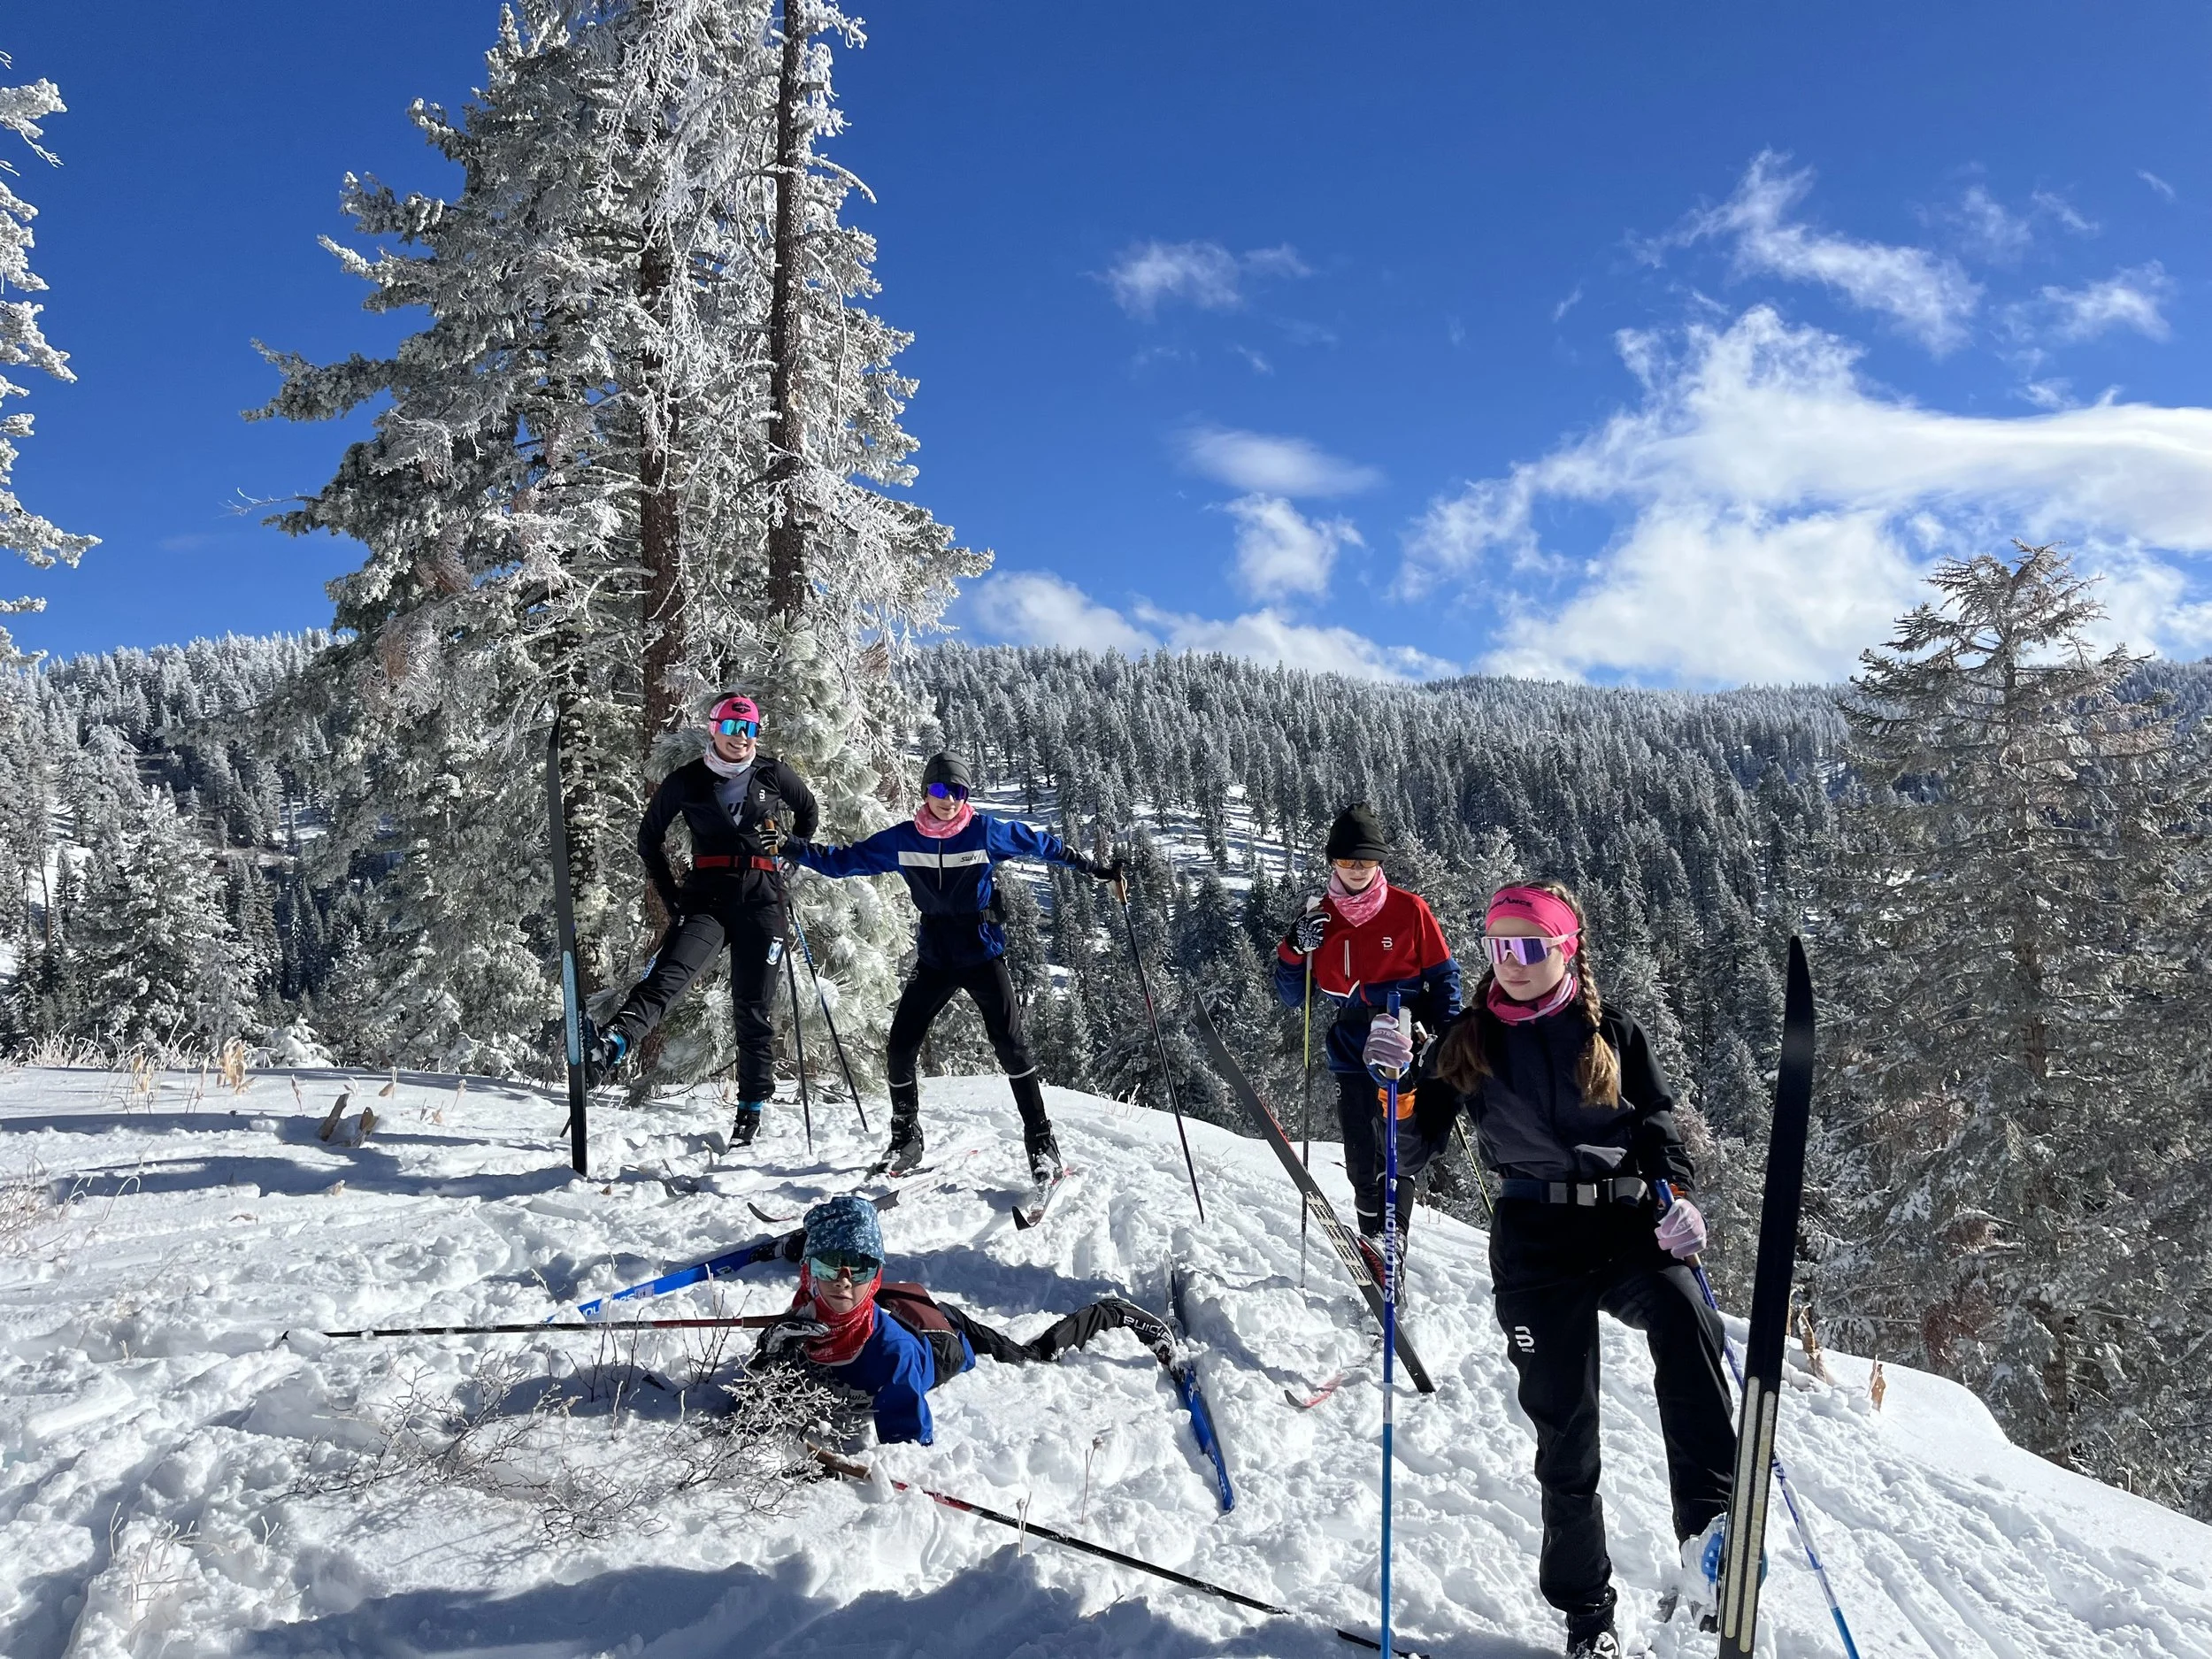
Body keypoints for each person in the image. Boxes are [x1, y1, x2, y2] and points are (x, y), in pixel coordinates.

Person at [1408, 879, 1735, 1659]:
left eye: (1530, 946)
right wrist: (1395, 1087)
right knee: (1567, 1431)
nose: (1511, 961)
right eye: (1498, 945)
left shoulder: (1612, 1032)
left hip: (1622, 1223)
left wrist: (1678, 1195)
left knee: (1687, 1317)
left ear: (1567, 949)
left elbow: (1656, 1126)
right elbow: (1410, 1147)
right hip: (1535, 1242)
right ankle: (1588, 1612)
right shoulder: (1467, 1040)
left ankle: (1710, 1536)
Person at [782, 751, 1121, 1182]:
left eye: (958, 790)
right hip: (936, 959)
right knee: (901, 1045)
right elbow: (842, 861)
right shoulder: (904, 839)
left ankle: (1042, 1145)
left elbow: (1041, 844)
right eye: (940, 789)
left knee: (1011, 1046)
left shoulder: (984, 832)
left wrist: (1094, 868)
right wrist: (789, 846)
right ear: (926, 792)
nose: (948, 799)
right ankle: (906, 1139)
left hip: (981, 955)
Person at [751, 1194, 1175, 1445]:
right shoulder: (804, 1313)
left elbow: (905, 1451)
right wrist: (767, 1359)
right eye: (828, 1264)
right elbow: (756, 1399)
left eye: (860, 1267)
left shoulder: (893, 1359)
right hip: (897, 1304)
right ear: (808, 1271)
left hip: (940, 1338)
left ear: (876, 1274)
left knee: (1033, 1355)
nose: (843, 1280)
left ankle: (1113, 1312)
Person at [584, 694, 817, 1147]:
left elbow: (808, 811)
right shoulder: (687, 779)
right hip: (707, 898)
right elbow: (648, 839)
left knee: (753, 1006)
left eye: (749, 729)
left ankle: (750, 1110)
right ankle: (610, 1046)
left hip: (764, 900)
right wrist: (671, 897)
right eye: (731, 727)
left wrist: (790, 858)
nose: (740, 738)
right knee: (668, 976)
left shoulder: (773, 772)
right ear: (714, 728)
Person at [1271, 803, 1462, 1281]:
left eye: (1367, 860)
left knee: (1395, 1147)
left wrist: (1448, 1036)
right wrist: (1294, 947)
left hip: (1402, 1040)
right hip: (1350, 1044)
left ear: (1379, 862)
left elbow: (1444, 978)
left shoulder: (1410, 909)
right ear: (1333, 862)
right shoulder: (1318, 917)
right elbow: (1292, 997)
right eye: (1346, 860)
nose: (1357, 869)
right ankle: (1372, 1245)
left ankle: (1393, 1242)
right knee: (1360, 1152)